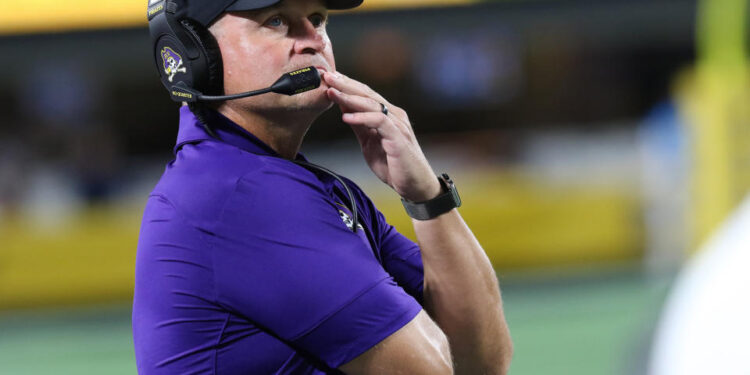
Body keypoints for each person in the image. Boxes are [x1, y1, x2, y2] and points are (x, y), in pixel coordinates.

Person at [132, 0, 513, 374]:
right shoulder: (237, 193)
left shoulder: (307, 186)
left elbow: (483, 360)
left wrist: (427, 196)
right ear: (192, 55)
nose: (313, 39)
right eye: (277, 20)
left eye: (317, 18)